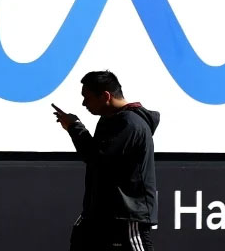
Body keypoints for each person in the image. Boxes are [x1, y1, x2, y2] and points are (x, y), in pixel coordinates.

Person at [52, 70, 160, 251]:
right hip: (100, 216)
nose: (83, 103)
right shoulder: (110, 120)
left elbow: (96, 157)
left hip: (126, 219)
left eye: (87, 97)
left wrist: (74, 127)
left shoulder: (130, 123)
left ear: (105, 96)